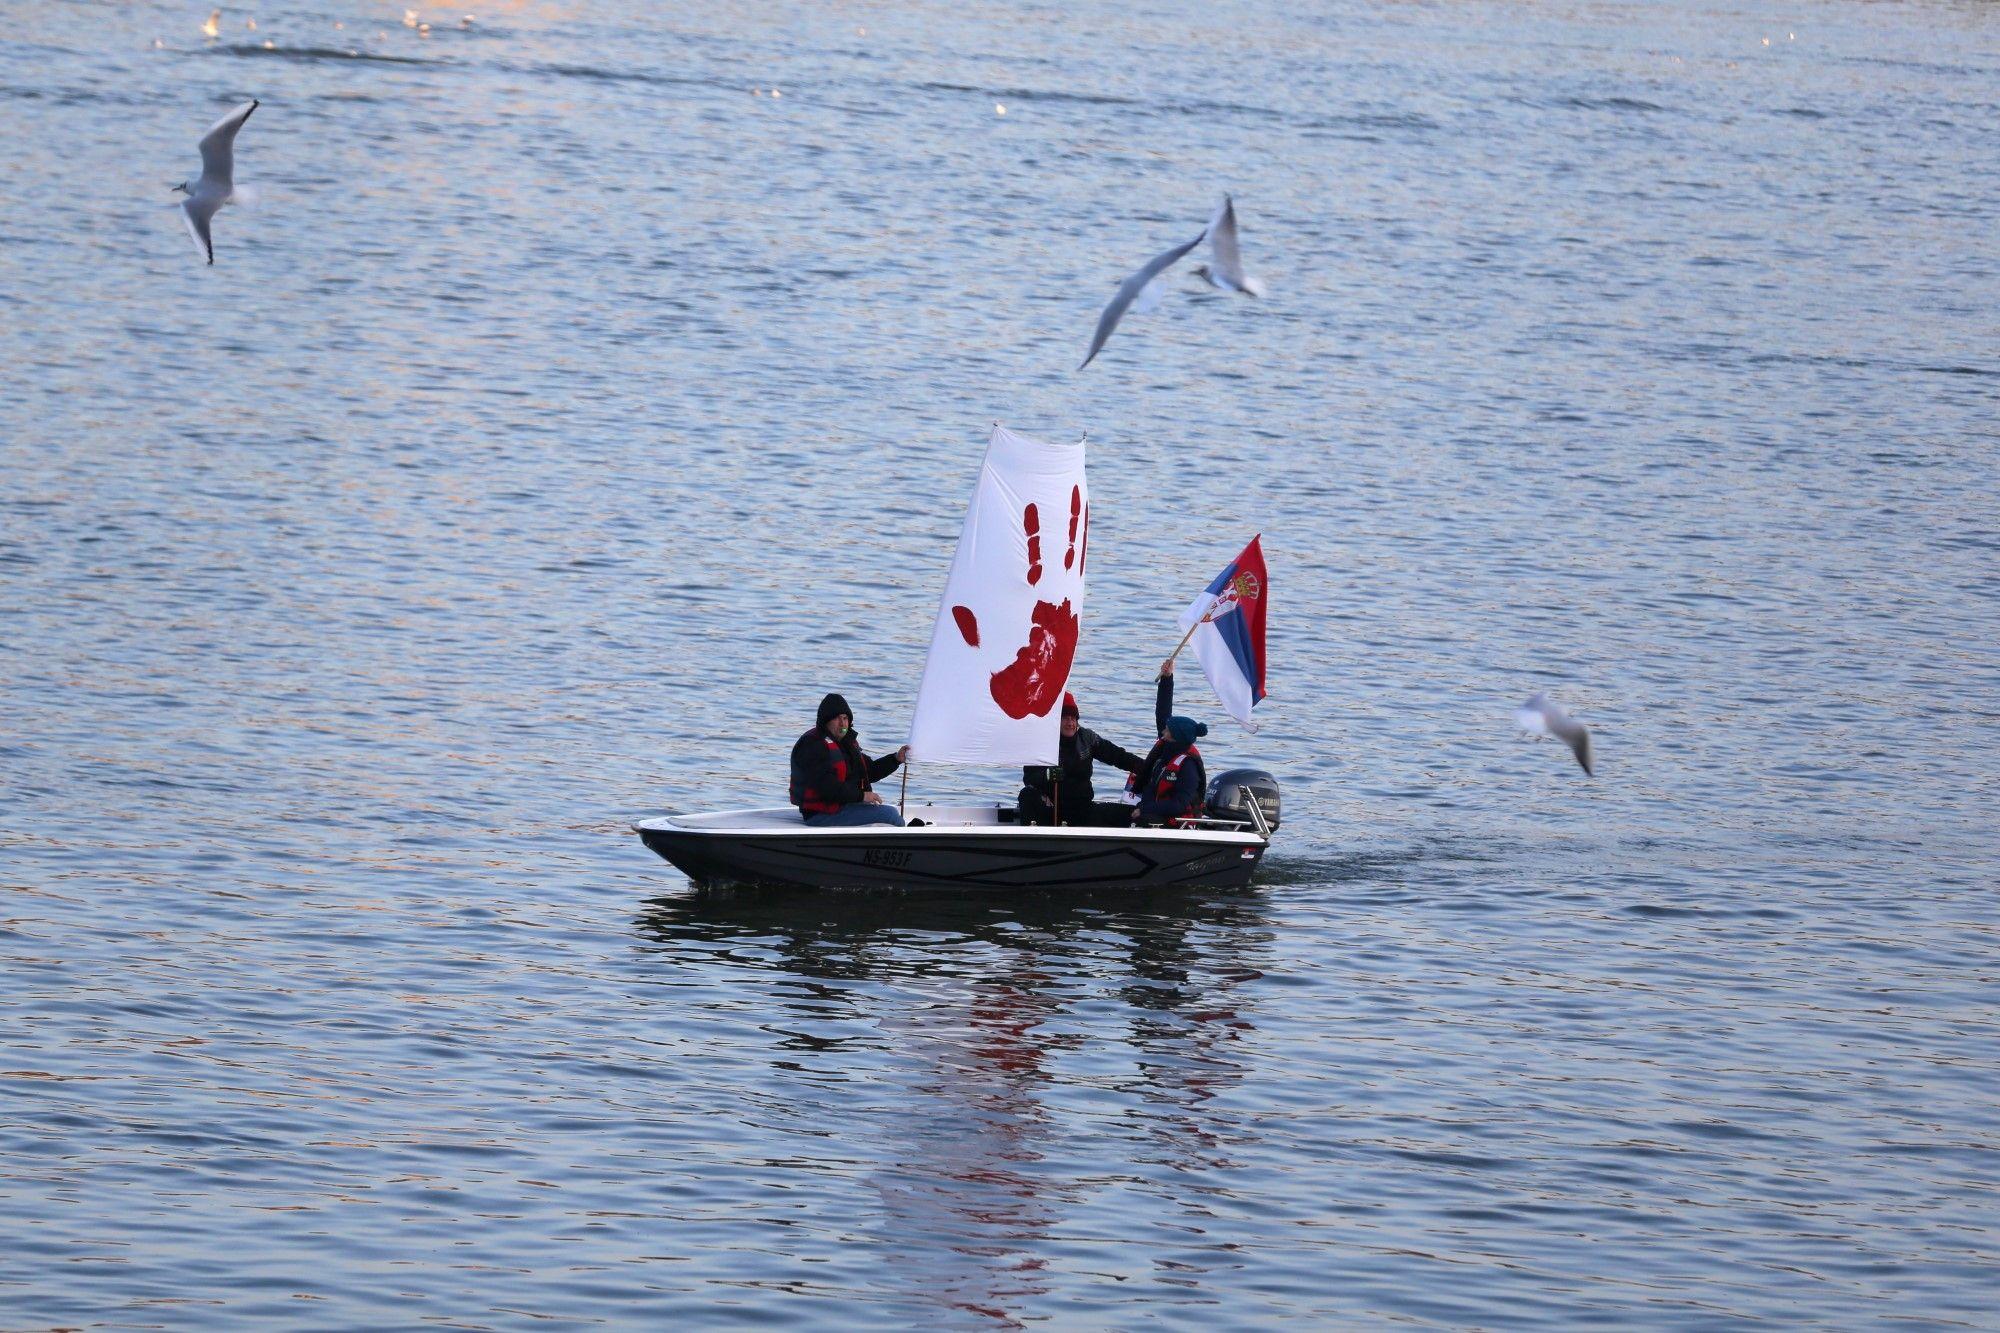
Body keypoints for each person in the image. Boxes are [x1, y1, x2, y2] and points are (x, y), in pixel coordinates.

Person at [1016, 690, 1148, 827]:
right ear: (1056, 720)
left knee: (1131, 813)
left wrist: (1150, 768)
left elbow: (1118, 756)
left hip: (1082, 809)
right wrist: (1047, 775)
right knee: (1027, 794)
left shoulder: (1087, 738)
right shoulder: (1043, 740)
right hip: (1051, 810)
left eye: (1073, 719)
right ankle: (1034, 839)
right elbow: (1029, 778)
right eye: (1065, 718)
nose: (1070, 723)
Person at [790, 693, 908, 827]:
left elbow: (869, 772)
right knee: (889, 814)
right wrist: (862, 796)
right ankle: (911, 845)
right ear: (825, 721)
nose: (842, 723)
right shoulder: (813, 745)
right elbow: (827, 786)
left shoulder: (846, 744)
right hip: (820, 814)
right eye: (837, 719)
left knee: (890, 812)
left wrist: (896, 759)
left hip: (844, 807)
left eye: (845, 718)